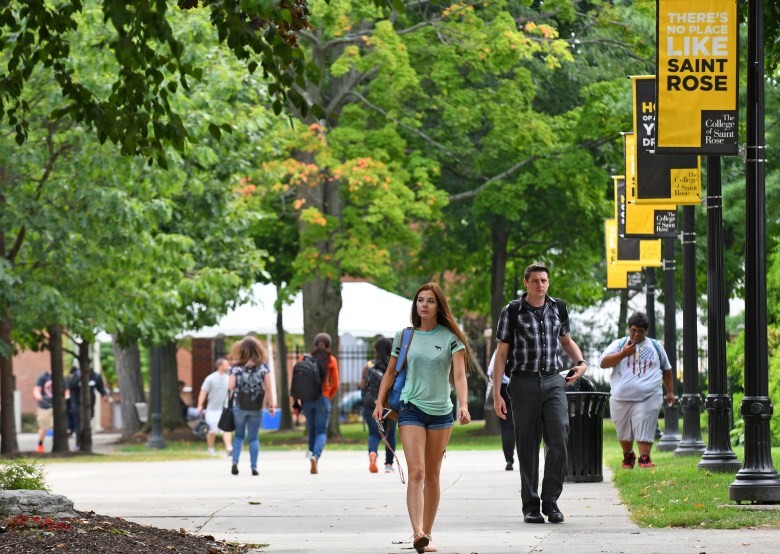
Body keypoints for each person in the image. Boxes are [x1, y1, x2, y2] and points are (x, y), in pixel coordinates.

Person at [372, 282, 475, 554]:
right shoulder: (405, 336)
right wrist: (379, 401)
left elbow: (460, 375)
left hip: (441, 412)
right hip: (411, 408)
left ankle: (427, 534)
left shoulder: (451, 337)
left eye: (430, 301)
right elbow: (391, 372)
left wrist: (462, 404)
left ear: (439, 305)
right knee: (416, 471)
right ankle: (416, 531)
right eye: (420, 300)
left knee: (433, 475)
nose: (424, 305)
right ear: (415, 305)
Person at [493, 262, 588, 525]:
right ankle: (531, 506)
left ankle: (551, 501)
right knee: (527, 446)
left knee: (559, 439)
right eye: (535, 280)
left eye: (544, 280)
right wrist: (497, 393)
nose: (540, 285)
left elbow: (566, 341)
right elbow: (501, 355)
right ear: (526, 283)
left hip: (553, 381)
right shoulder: (512, 311)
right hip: (522, 383)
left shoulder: (558, 307)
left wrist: (581, 363)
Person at [599, 312, 675, 469]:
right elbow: (603, 363)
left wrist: (670, 392)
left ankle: (645, 458)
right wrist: (623, 353)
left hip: (648, 396)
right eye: (633, 330)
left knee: (644, 423)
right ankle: (628, 456)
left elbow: (667, 370)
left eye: (640, 331)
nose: (636, 334)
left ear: (646, 331)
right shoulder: (619, 344)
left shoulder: (655, 346)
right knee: (623, 429)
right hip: (621, 397)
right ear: (629, 329)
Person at [228, 336, 277, 476]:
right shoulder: (263, 367)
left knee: (238, 436)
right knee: (253, 437)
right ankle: (254, 466)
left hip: (239, 405)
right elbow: (268, 388)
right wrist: (271, 404)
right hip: (255, 406)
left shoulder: (236, 367)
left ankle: (235, 462)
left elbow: (231, 386)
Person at [302, 332, 340, 475]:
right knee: (321, 431)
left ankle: (311, 451)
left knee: (311, 428)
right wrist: (327, 396)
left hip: (307, 399)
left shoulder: (305, 358)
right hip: (322, 398)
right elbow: (335, 384)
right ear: (329, 344)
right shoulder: (331, 360)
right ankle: (315, 456)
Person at [360, 337, 397, 473]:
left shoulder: (368, 366)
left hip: (371, 404)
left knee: (374, 434)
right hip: (389, 405)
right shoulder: (394, 366)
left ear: (376, 350)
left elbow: (363, 386)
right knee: (391, 434)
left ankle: (373, 453)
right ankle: (388, 464)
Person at [197, 357, 233, 456]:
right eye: (226, 364)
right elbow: (203, 392)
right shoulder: (210, 378)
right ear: (220, 366)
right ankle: (211, 448)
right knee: (212, 431)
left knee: (226, 429)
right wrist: (200, 405)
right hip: (212, 410)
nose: (228, 366)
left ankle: (229, 448)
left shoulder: (228, 378)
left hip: (224, 409)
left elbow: (231, 392)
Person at [68, 365, 109, 450]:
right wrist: (78, 378)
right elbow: (71, 386)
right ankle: (78, 444)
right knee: (79, 424)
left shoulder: (95, 376)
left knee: (87, 424)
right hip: (77, 404)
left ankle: (86, 443)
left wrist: (104, 395)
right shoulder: (76, 375)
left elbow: (100, 387)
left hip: (89, 405)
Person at [487, 350, 515, 471]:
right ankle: (528, 459)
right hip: (521, 387)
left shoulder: (500, 350)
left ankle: (509, 459)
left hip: (504, 389)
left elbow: (491, 372)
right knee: (526, 425)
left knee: (507, 426)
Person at [33, 371, 55, 453]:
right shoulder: (43, 376)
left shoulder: (61, 377)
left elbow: (66, 391)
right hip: (44, 406)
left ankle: (55, 444)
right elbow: (36, 390)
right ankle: (40, 445)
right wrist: (40, 398)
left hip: (57, 406)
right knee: (43, 427)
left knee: (57, 426)